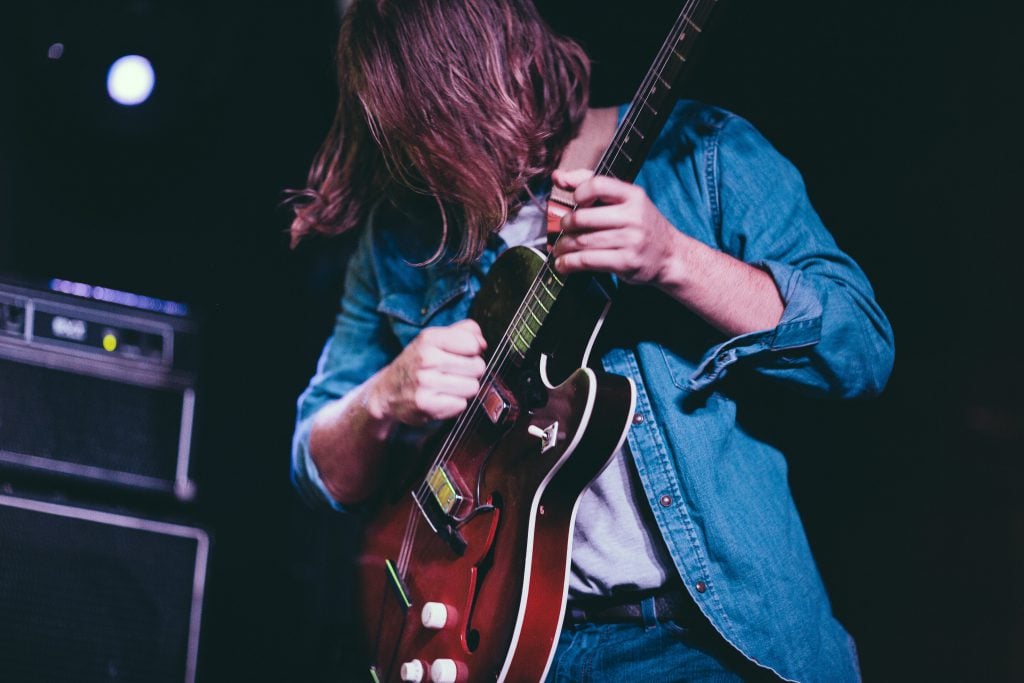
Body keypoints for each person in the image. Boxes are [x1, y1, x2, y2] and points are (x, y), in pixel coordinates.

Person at [289, 1, 894, 681]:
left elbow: (859, 348)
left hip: (696, 639)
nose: (430, 168)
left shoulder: (704, 156)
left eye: (443, 129)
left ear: (507, 72)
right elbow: (316, 467)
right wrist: (382, 398)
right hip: (497, 649)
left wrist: (674, 260)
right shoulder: (398, 240)